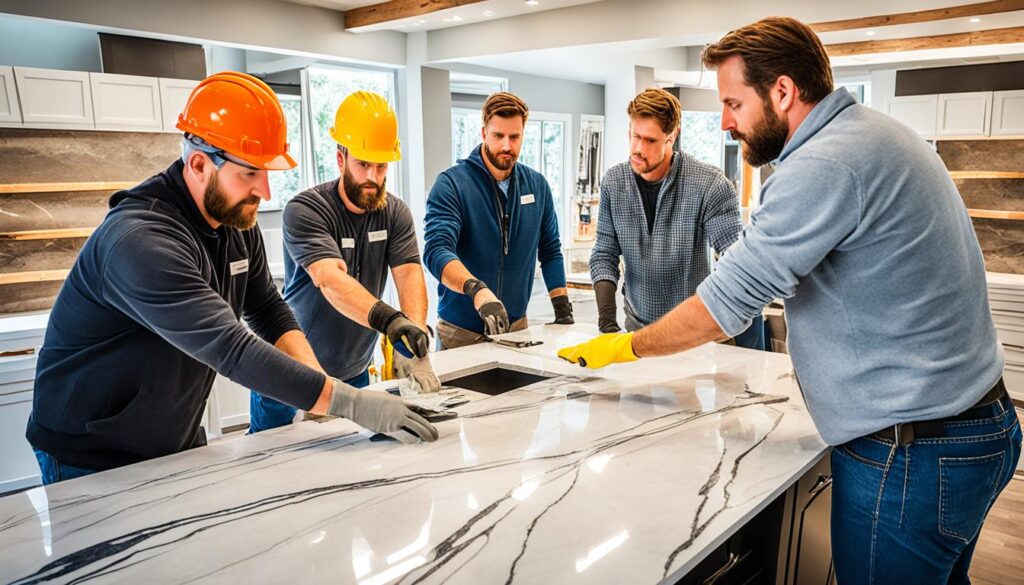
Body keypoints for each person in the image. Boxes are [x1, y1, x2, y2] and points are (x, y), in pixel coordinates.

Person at [558, 17, 1019, 583]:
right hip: (971, 425)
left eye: (733, 103)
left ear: (782, 90)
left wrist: (622, 348)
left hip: (911, 453)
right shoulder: (872, 132)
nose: (725, 121)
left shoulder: (824, 162)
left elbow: (728, 299)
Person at [26, 72, 436, 484]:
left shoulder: (235, 222)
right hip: (90, 453)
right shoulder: (141, 240)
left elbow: (269, 310)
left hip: (171, 436)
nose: (266, 191)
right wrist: (350, 403)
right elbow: (231, 349)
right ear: (200, 164)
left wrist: (322, 386)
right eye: (250, 174)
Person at [249, 91, 441, 434]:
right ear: (341, 159)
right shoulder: (306, 210)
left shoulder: (395, 213)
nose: (372, 176)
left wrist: (413, 339)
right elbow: (328, 278)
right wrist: (390, 321)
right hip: (289, 364)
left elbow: (409, 271)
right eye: (363, 164)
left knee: (350, 459)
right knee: (268, 454)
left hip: (353, 365)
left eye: (381, 166)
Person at [589, 88, 762, 349]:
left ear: (672, 136)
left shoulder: (709, 185)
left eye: (650, 141)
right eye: (635, 136)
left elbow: (734, 259)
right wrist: (607, 323)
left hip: (692, 335)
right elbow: (604, 254)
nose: (638, 148)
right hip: (636, 332)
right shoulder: (614, 182)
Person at [424, 92, 572, 349]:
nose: (507, 146)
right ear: (483, 133)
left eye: (514, 137)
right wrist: (476, 290)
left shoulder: (537, 186)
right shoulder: (452, 185)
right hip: (460, 336)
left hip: (516, 333)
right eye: (498, 136)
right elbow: (437, 251)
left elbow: (550, 251)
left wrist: (561, 306)